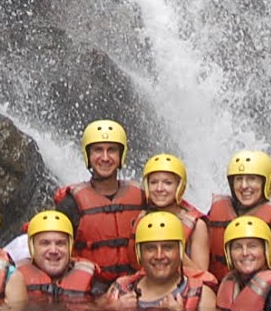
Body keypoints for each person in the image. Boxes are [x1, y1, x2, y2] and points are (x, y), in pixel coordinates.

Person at [51, 119, 146, 288]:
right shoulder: (70, 204)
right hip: (90, 291)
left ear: (121, 155)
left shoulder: (143, 198)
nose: (105, 157)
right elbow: (53, 251)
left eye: (112, 150)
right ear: (88, 155)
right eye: (98, 150)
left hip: (135, 287)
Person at [105, 211, 217, 311]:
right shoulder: (120, 290)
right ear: (139, 253)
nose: (159, 256)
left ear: (180, 251)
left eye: (167, 248)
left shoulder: (202, 296)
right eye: (150, 248)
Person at [205, 150, 271, 283]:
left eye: (252, 179)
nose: (244, 186)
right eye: (239, 179)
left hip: (263, 293)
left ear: (265, 183)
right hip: (221, 291)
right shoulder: (216, 211)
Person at [139, 153, 211, 276]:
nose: (159, 188)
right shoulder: (142, 218)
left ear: (179, 186)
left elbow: (202, 276)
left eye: (167, 183)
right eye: (154, 182)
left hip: (182, 290)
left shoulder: (198, 226)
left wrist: (175, 250)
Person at [15, 210, 105, 300]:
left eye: (60, 243)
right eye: (45, 243)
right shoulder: (13, 281)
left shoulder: (94, 286)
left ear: (69, 247)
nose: (53, 250)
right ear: (32, 247)